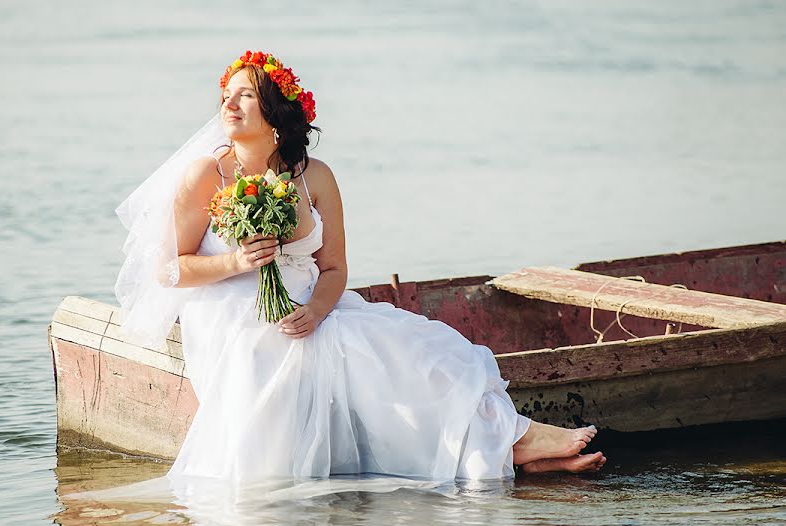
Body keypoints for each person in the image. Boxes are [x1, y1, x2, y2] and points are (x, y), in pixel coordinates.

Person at [114, 51, 606, 499]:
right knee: (291, 357)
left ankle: (504, 445)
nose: (229, 103)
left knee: (414, 347)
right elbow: (171, 269)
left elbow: (334, 269)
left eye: (245, 94)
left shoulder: (316, 177)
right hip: (227, 307)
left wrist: (314, 310)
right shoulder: (205, 175)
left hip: (311, 301)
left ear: (277, 114)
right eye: (226, 95)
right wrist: (236, 262)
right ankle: (515, 445)